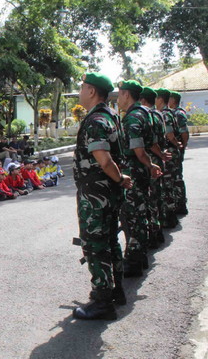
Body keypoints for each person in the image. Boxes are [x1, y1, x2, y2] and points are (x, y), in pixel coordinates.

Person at [72, 72, 132, 320]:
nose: (79, 92)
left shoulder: (96, 121)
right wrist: (119, 180)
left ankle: (102, 301)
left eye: (82, 88)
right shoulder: (112, 117)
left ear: (92, 91)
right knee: (109, 241)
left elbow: (104, 160)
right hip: (108, 193)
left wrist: (119, 177)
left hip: (96, 194)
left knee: (95, 246)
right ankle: (115, 290)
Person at [118, 79, 162, 278]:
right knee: (140, 213)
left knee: (132, 216)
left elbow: (138, 149)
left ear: (127, 95)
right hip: (140, 171)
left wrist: (149, 164)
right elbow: (151, 143)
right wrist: (151, 163)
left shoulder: (133, 117)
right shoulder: (146, 114)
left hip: (133, 171)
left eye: (119, 94)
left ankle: (134, 260)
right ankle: (140, 255)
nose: (118, 98)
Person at [140, 87, 169, 248]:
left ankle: (152, 233)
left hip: (149, 160)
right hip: (157, 158)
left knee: (149, 199)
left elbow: (150, 143)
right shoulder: (158, 115)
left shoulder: (146, 115)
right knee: (157, 196)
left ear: (142, 100)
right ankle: (158, 230)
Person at [155, 88, 181, 228]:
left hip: (168, 154)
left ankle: (169, 218)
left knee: (167, 185)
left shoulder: (164, 114)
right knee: (171, 183)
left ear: (160, 99)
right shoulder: (169, 113)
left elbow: (170, 135)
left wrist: (176, 145)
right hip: (170, 153)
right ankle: (171, 215)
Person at [168, 90, 189, 215]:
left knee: (176, 177)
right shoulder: (172, 113)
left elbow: (184, 133)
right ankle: (176, 202)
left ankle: (180, 204)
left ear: (174, 100)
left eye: (169, 99)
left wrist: (182, 147)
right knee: (174, 176)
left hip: (176, 149)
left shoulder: (179, 113)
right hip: (175, 148)